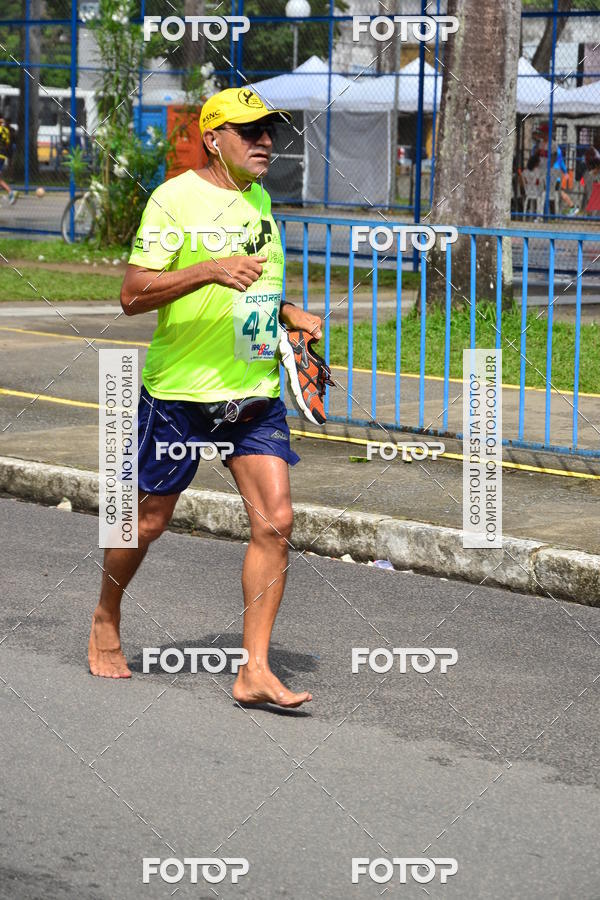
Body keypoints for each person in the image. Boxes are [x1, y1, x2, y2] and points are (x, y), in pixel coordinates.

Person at [88, 88, 322, 708]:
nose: (265, 142)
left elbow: (252, 289)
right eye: (250, 132)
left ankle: (254, 671)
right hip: (180, 395)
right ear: (214, 140)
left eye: (270, 131)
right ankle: (107, 614)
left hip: (253, 394)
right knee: (146, 521)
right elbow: (132, 295)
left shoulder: (259, 200)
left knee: (276, 521)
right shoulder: (174, 199)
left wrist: (289, 314)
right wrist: (209, 269)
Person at [0, 115, 17, 204]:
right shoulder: (6, 131)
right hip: (2, 156)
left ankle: (11, 193)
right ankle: (10, 193)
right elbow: (7, 144)